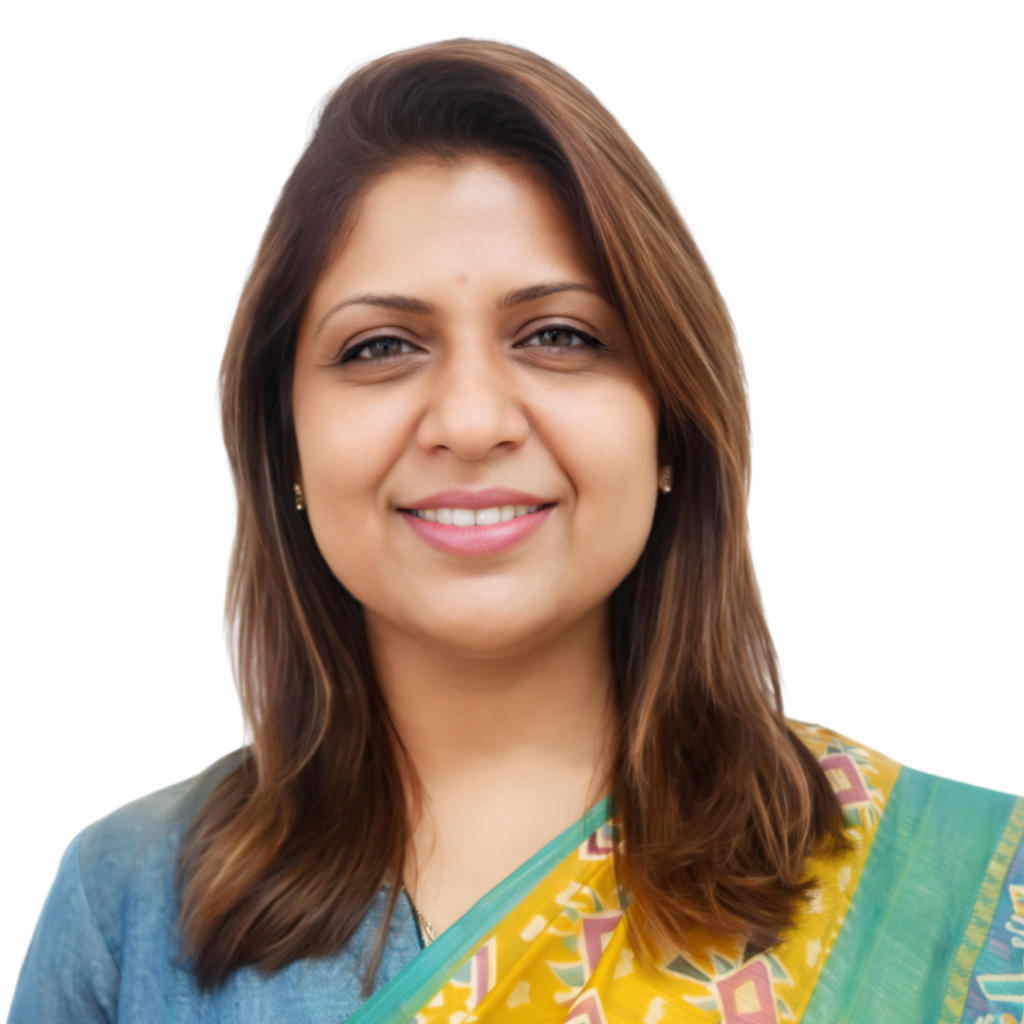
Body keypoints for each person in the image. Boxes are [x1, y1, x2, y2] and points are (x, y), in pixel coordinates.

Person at [9, 39, 1023, 1024]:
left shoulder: (953, 900)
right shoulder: (131, 907)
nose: (470, 421)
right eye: (380, 347)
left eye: (558, 336)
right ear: (286, 444)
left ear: (670, 424)